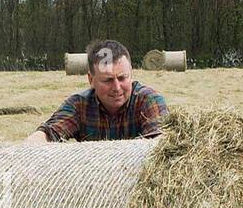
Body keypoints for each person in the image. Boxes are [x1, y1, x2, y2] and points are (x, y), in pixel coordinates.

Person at [26, 40, 167, 143]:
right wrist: (25, 150)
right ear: (91, 80)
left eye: (122, 78)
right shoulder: (79, 104)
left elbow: (160, 145)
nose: (117, 87)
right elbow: (49, 133)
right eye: (108, 80)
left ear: (131, 73)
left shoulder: (149, 101)